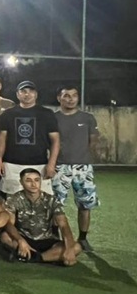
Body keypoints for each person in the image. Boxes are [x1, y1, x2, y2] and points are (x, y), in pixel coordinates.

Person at [0, 168, 82, 265]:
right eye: (28, 180)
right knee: (5, 237)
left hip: (47, 239)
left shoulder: (52, 200)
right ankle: (49, 257)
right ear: (21, 182)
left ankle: (35, 257)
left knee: (76, 247)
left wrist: (69, 249)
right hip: (24, 237)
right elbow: (9, 224)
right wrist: (20, 240)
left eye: (37, 180)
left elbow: (63, 225)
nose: (33, 184)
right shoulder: (14, 199)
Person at [53, 85, 100, 252]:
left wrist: (86, 160)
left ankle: (83, 238)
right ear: (59, 98)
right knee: (55, 204)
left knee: (85, 204)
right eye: (66, 95)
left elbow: (93, 140)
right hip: (59, 167)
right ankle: (53, 236)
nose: (70, 99)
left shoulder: (88, 118)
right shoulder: (53, 118)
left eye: (74, 95)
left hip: (83, 168)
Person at [0, 80, 59, 199]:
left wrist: (51, 163)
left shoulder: (47, 114)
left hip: (39, 164)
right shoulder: (8, 114)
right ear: (17, 94)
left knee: (41, 201)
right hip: (12, 164)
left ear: (36, 94)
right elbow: (2, 138)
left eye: (31, 91)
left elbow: (55, 141)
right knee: (12, 202)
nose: (27, 94)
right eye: (23, 91)